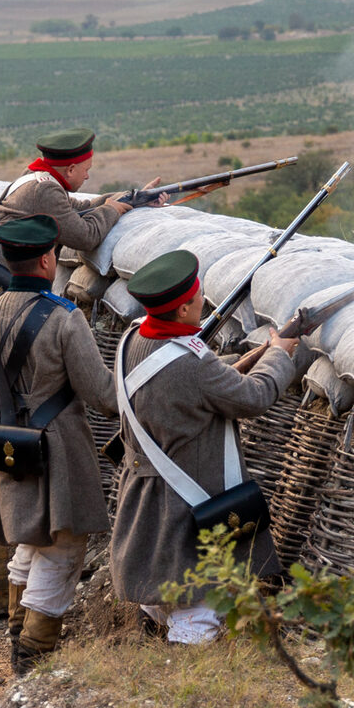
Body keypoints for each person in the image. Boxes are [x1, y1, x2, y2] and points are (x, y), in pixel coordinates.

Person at [0, 128, 159, 485]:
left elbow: (77, 211)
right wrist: (113, 211)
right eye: (85, 168)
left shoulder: (38, 182)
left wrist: (128, 200)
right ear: (71, 167)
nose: (88, 175)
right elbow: (85, 234)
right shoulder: (43, 189)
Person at [109, 250, 297, 644]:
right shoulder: (191, 365)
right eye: (196, 300)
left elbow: (193, 378)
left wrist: (241, 360)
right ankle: (180, 688)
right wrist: (279, 355)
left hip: (148, 494)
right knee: (200, 605)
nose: (202, 304)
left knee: (168, 589)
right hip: (187, 503)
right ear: (180, 311)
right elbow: (254, 398)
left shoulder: (132, 339)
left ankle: (153, 660)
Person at [0, 215, 118, 675]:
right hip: (61, 452)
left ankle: (18, 643)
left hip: (5, 448)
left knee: (29, 545)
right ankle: (31, 658)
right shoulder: (66, 318)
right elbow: (102, 396)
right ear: (48, 259)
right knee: (62, 549)